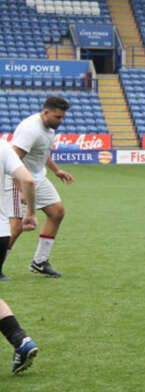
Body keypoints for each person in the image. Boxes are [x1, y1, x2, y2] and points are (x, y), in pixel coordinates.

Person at [3, 96, 74, 278]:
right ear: (46, 112)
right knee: (16, 226)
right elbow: (13, 159)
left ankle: (40, 262)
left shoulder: (49, 127)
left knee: (57, 212)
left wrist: (56, 170)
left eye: (62, 117)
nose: (61, 121)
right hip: (18, 178)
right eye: (58, 117)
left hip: (38, 178)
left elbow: (43, 151)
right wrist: (21, 188)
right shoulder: (30, 129)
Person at [0, 138, 41, 373]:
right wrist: (31, 213)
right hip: (1, 234)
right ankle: (21, 341)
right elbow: (27, 179)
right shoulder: (3, 146)